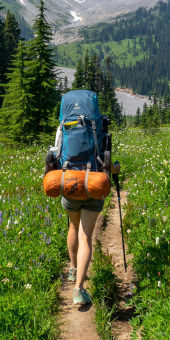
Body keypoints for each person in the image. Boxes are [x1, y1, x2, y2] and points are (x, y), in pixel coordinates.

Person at [48, 125, 101, 306]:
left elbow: (55, 153)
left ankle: (73, 268)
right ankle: (79, 288)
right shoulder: (97, 127)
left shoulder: (63, 127)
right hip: (93, 184)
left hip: (70, 184)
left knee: (73, 226)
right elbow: (105, 158)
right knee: (85, 236)